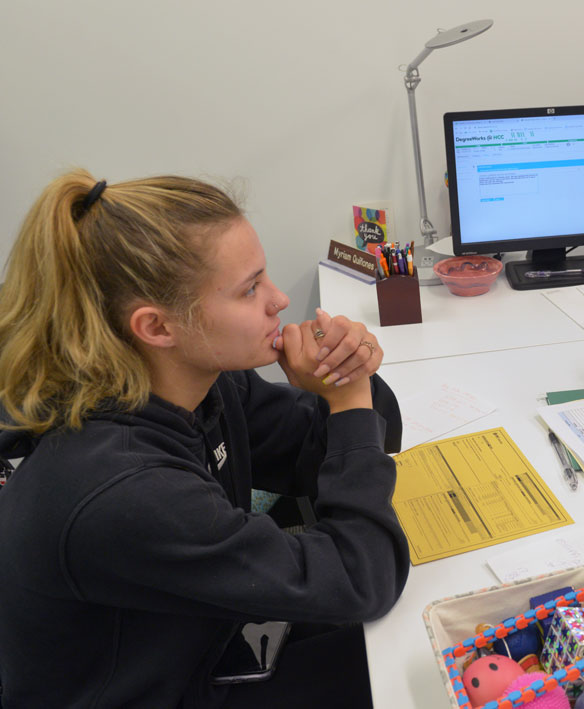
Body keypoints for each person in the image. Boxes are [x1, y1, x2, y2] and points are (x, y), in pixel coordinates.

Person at [0, 170, 409, 707]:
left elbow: (338, 448)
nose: (279, 298)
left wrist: (342, 379)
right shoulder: (122, 487)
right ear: (158, 328)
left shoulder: (203, 384)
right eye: (250, 288)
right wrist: (349, 399)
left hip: (206, 645)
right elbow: (363, 581)